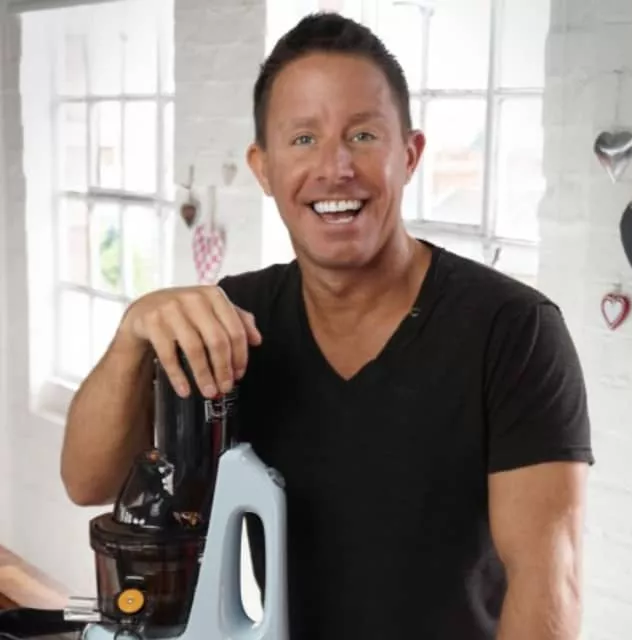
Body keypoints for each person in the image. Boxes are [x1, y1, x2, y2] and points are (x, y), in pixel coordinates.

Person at [60, 12, 594, 640]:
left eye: (363, 135)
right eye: (303, 139)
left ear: (409, 155)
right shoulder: (234, 323)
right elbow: (89, 481)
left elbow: (547, 579)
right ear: (263, 168)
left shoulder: (513, 330)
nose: (335, 167)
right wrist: (132, 334)